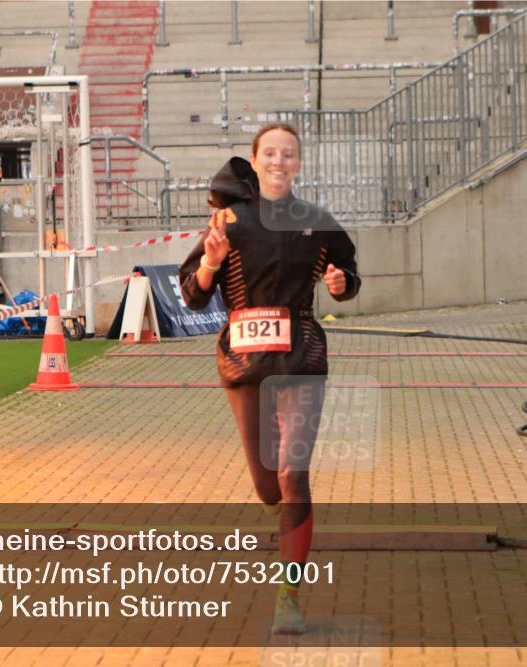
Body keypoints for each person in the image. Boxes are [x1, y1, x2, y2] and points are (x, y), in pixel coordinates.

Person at [178, 123, 360, 634]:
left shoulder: (319, 223)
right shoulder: (229, 220)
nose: (280, 161)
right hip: (244, 361)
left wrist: (341, 284)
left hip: (302, 356)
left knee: (292, 476)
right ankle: (282, 518)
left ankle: (289, 597)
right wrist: (212, 264)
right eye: (270, 154)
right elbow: (192, 295)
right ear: (254, 162)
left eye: (289, 154)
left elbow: (349, 278)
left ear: (298, 162)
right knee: (267, 487)